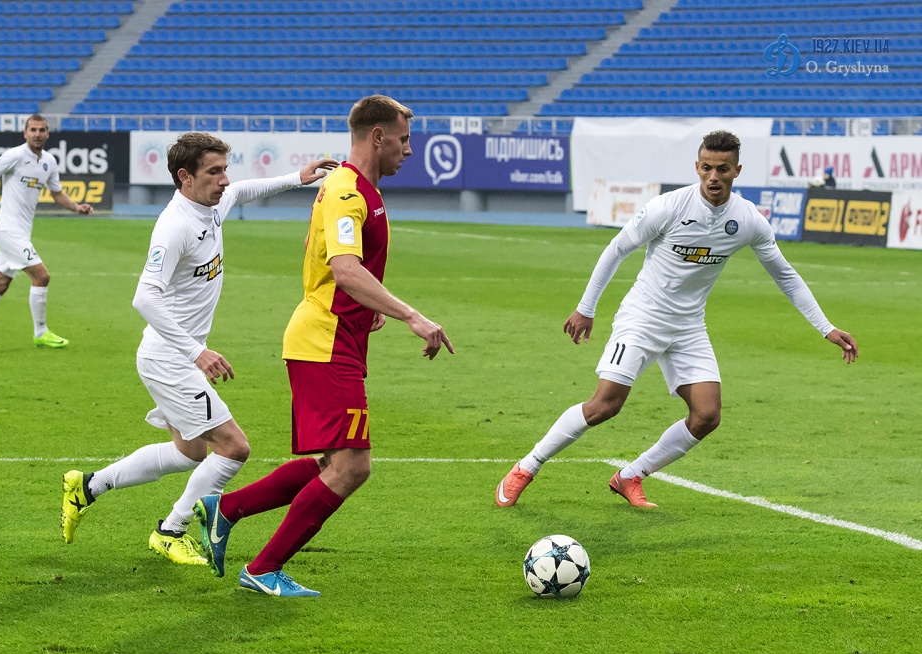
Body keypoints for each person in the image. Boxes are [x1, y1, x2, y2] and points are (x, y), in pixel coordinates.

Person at [495, 130, 858, 510]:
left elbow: (785, 275)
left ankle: (631, 475)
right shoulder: (667, 207)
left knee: (707, 416)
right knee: (605, 405)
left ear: (737, 171)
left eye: (722, 169)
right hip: (643, 317)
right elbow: (617, 249)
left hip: (688, 326)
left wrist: (826, 328)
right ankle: (527, 466)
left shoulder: (748, 220)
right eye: (706, 168)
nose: (713, 177)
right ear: (697, 167)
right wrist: (587, 307)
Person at [191, 95, 454, 597]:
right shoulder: (347, 193)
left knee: (334, 464)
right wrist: (412, 316)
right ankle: (263, 568)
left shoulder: (358, 190)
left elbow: (336, 266)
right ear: (377, 137)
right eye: (403, 140)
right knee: (351, 467)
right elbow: (345, 270)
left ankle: (224, 509)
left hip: (336, 337)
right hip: (324, 341)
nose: (409, 150)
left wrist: (368, 305)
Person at [60, 132, 338, 565]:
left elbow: (242, 190)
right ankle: (171, 531)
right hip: (169, 360)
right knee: (234, 447)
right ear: (185, 177)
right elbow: (144, 297)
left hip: (174, 356)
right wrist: (196, 352)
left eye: (225, 169)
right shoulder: (175, 226)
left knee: (188, 453)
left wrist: (296, 178)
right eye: (213, 172)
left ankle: (87, 486)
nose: (224, 180)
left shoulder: (211, 204)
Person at [0, 114, 93, 349]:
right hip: (8, 231)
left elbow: (57, 194)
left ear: (48, 133)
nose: (37, 134)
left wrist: (77, 207)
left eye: (42, 130)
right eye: (33, 130)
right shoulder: (15, 155)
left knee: (0, 283)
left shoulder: (49, 161)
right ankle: (41, 332)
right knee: (42, 276)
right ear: (25, 133)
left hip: (21, 232)